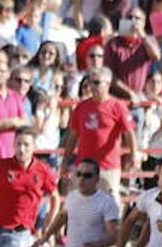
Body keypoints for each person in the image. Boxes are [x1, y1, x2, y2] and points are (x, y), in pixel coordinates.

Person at [59, 66, 139, 203]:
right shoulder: (81, 107)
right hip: (83, 165)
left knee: (110, 207)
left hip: (108, 166)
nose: (91, 86)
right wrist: (65, 161)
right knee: (79, 205)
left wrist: (134, 154)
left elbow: (129, 133)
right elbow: (72, 136)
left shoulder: (118, 106)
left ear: (107, 84)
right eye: (90, 82)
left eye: (96, 82)